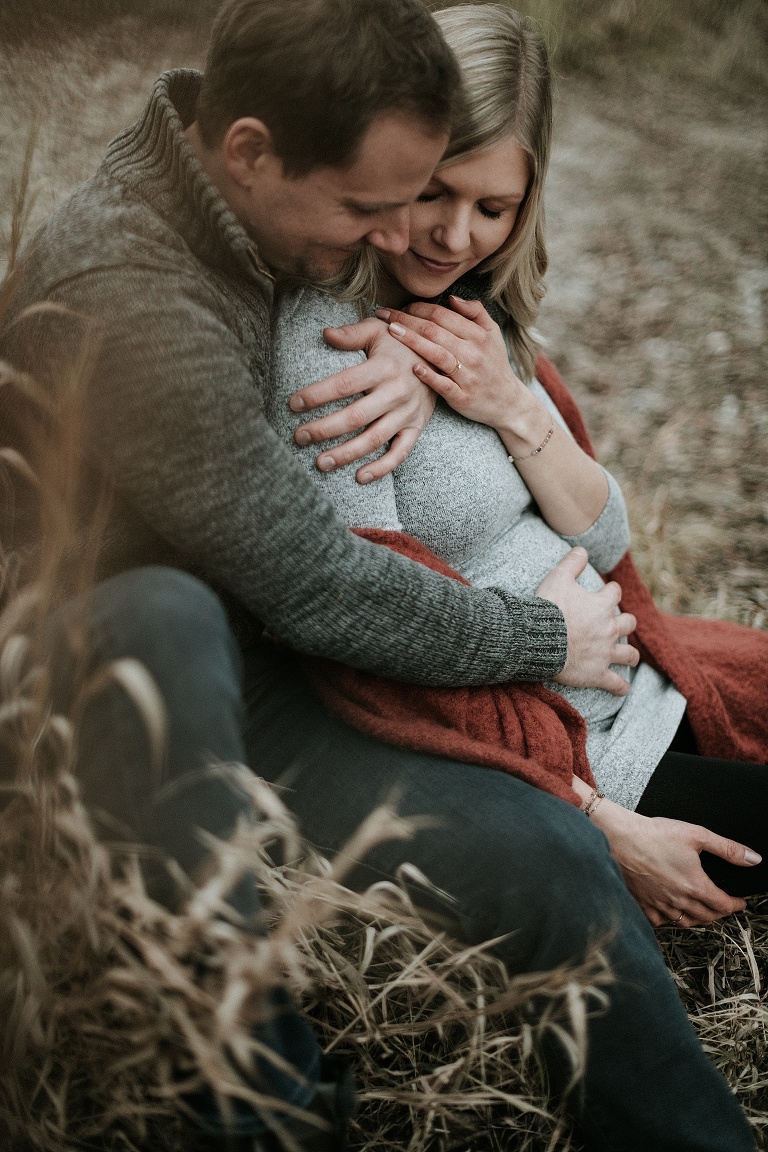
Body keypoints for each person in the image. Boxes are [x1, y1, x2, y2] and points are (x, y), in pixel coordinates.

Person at [0, 0, 754, 1149]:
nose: (402, 236)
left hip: (270, 650)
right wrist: (541, 637)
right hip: (153, 674)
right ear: (249, 152)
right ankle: (265, 1112)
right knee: (169, 614)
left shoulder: (266, 207)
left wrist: (419, 348)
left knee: (550, 857)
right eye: (369, 211)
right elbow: (317, 584)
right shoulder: (134, 290)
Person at [260, 3, 768, 1147]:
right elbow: (367, 628)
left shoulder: (471, 315)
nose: (454, 234)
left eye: (494, 207)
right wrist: (596, 815)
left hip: (644, 688)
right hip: (575, 750)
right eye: (434, 192)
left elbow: (607, 535)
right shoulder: (328, 345)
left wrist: (510, 404)